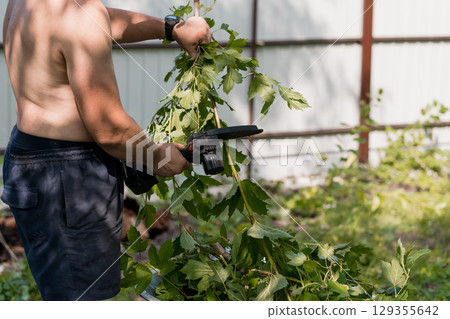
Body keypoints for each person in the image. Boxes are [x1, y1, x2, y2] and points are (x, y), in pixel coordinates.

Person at [1, 0, 211, 301]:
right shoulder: (77, 13)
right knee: (83, 300)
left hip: (30, 157)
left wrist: (170, 28)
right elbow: (108, 128)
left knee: (63, 294)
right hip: (69, 180)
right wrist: (157, 157)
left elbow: (91, 22)